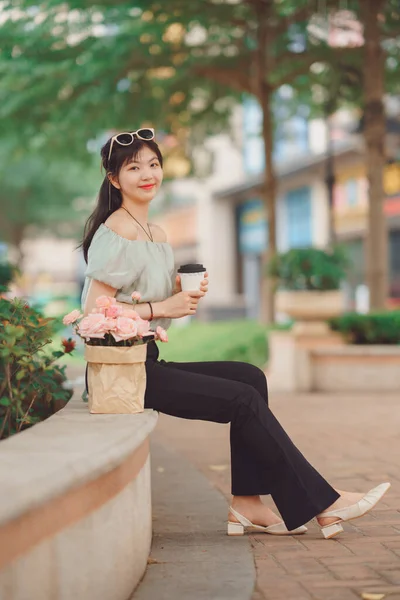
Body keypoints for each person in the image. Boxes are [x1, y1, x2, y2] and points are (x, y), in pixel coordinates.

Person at [80, 129, 390, 539]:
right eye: (134, 167)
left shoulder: (155, 232)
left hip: (146, 359)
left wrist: (175, 292)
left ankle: (247, 504)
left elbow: (134, 296)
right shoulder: (120, 228)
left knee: (249, 376)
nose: (148, 174)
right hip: (123, 373)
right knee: (241, 399)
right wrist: (161, 308)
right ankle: (325, 503)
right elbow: (92, 313)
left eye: (153, 164)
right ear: (114, 178)